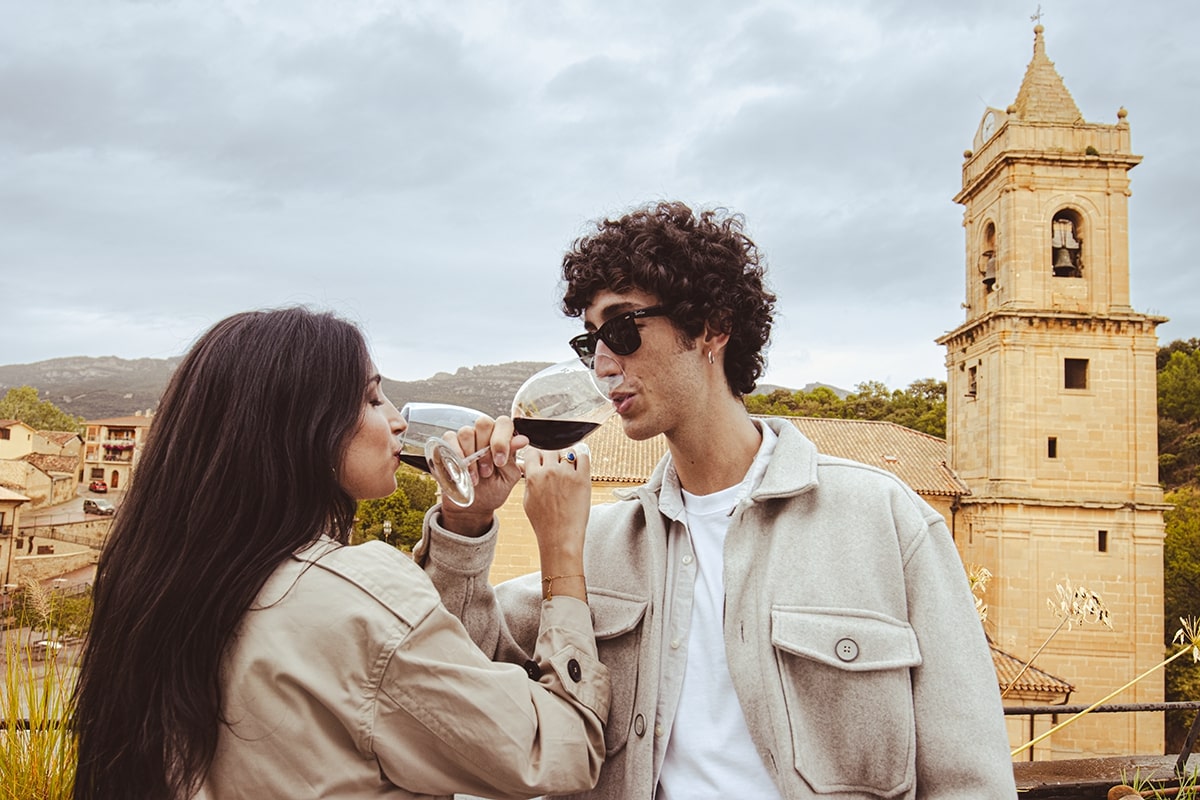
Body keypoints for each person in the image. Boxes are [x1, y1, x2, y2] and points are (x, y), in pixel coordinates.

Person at [417, 201, 1018, 799]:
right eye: (590, 342)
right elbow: (458, 669)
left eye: (623, 329)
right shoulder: (596, 547)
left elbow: (971, 780)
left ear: (712, 327)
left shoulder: (886, 522)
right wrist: (466, 522)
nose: (603, 364)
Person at [71, 306, 609, 800]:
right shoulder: (354, 594)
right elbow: (559, 748)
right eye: (372, 399)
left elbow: (406, 688)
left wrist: (464, 524)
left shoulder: (170, 586)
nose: (398, 420)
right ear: (301, 428)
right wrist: (562, 556)